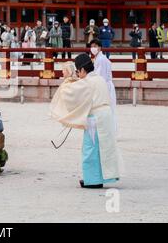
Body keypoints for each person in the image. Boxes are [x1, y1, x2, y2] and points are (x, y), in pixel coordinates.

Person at [50, 53, 121, 188]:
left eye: (78, 71)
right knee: (105, 149)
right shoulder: (99, 79)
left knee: (90, 149)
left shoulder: (87, 82)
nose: (78, 74)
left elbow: (69, 93)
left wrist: (67, 81)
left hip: (95, 119)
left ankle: (93, 180)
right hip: (105, 116)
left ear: (82, 70)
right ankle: (101, 177)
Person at [90, 39, 117, 134]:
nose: (93, 48)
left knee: (108, 110)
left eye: (95, 46)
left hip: (106, 86)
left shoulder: (101, 59)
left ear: (100, 47)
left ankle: (110, 131)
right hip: (103, 85)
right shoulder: (98, 58)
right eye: (92, 46)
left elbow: (101, 77)